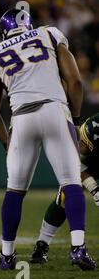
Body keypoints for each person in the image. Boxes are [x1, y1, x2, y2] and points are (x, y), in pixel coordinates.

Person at [0, 8, 96, 270]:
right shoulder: (49, 34)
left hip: (21, 118)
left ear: (4, 31)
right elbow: (75, 81)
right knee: (71, 183)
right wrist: (75, 120)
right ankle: (77, 247)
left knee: (15, 191)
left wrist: (7, 141)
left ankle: (7, 255)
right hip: (55, 110)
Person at [31, 113, 99, 268]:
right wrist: (94, 188)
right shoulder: (93, 129)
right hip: (89, 164)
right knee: (65, 196)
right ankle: (42, 245)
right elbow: (75, 163)